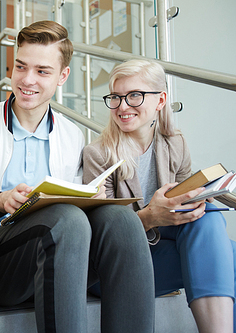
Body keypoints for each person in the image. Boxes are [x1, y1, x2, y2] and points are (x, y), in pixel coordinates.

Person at [0, 20, 155, 333]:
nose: (27, 80)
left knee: (121, 219)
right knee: (66, 218)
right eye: (20, 66)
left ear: (62, 76)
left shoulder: (71, 135)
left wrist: (93, 200)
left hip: (60, 257)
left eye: (42, 71)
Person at [83, 59, 236, 333]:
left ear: (160, 100)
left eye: (134, 96)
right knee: (229, 254)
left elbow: (186, 211)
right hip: (112, 269)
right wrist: (147, 218)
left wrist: (199, 198)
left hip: (162, 254)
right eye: (116, 97)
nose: (122, 106)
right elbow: (97, 236)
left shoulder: (175, 143)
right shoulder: (98, 154)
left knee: (207, 216)